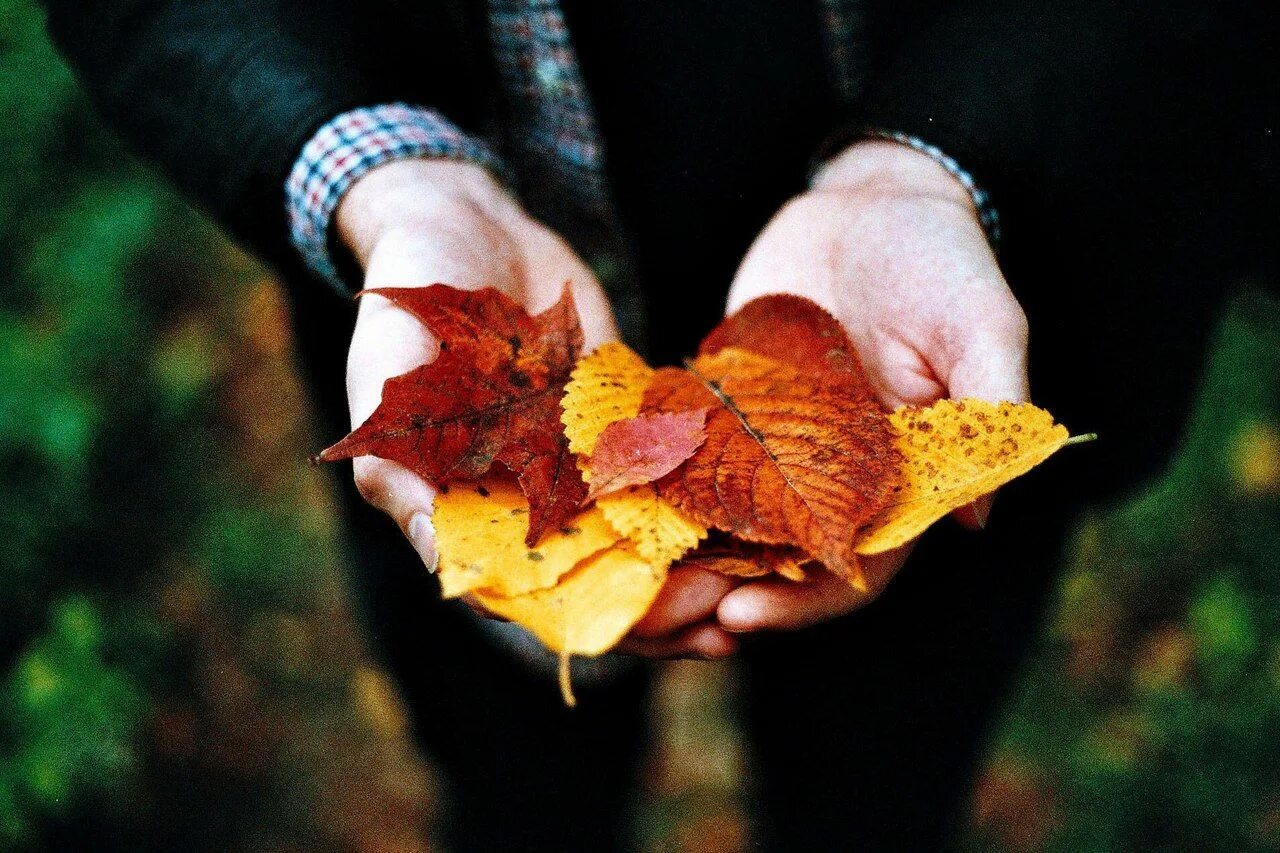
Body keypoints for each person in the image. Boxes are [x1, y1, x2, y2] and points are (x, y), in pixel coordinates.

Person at [42, 0, 1275, 849]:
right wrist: (385, 178)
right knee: (515, 782)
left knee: (881, 779)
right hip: (496, 408)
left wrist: (934, 162)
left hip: (917, 352)